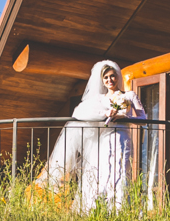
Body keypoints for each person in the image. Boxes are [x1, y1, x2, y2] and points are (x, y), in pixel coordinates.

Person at [39, 59, 146, 210]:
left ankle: (119, 210)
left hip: (122, 139)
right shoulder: (99, 99)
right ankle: (97, 210)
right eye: (106, 77)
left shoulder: (129, 96)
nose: (110, 80)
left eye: (112, 76)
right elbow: (80, 113)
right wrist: (104, 113)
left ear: (118, 77)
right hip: (104, 140)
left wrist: (125, 117)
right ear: (103, 80)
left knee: (121, 172)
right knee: (102, 172)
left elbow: (143, 119)